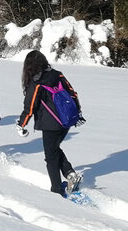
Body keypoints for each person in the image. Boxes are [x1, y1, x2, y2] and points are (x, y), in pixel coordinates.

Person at [16, 50, 84, 196]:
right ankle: (70, 174)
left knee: (50, 156)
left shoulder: (36, 82)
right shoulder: (57, 74)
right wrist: (78, 113)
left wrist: (22, 124)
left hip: (50, 124)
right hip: (66, 120)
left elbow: (30, 106)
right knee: (53, 149)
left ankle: (56, 190)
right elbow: (72, 93)